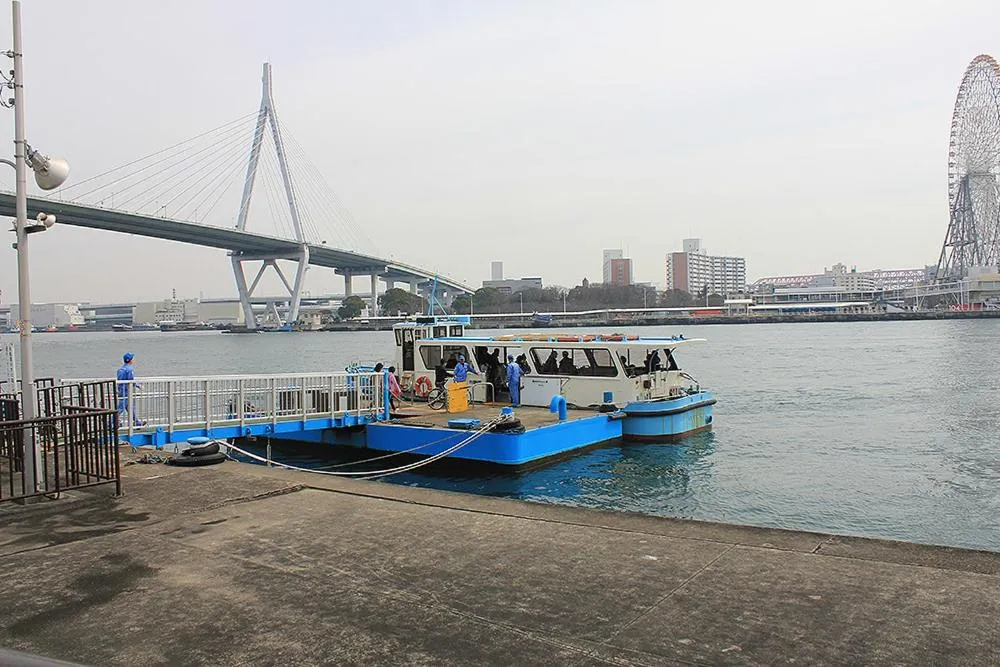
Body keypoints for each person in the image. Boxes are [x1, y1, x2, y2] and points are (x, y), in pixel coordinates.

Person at [116, 352, 145, 427]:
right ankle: (111, 422)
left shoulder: (120, 369)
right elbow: (131, 380)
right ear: (130, 360)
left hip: (120, 391)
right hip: (126, 392)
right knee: (120, 408)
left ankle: (136, 422)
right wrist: (139, 386)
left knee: (130, 407)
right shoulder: (129, 370)